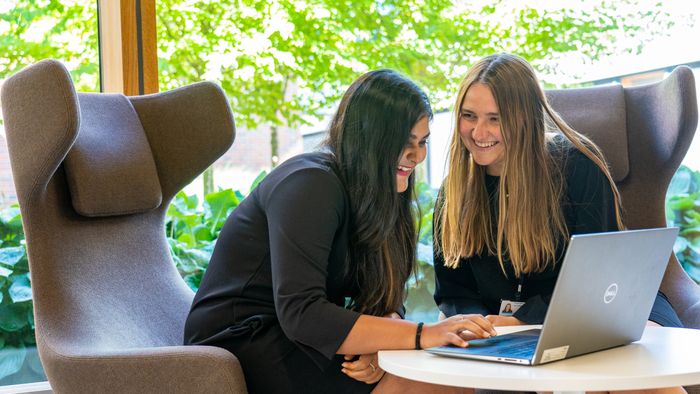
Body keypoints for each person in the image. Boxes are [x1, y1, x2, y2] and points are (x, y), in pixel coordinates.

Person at [184, 69, 496, 394]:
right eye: (405, 144)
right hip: (244, 338)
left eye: (422, 142)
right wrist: (421, 333)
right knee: (431, 382)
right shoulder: (309, 184)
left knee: (446, 378)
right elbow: (301, 311)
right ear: (371, 140)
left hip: (301, 333)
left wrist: (380, 344)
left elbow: (384, 295)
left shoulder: (381, 193)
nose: (418, 156)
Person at [433, 53, 685, 393]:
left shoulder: (577, 168)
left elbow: (598, 282)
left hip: (606, 312)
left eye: (496, 118)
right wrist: (475, 323)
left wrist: (523, 318)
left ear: (526, 119)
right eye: (469, 116)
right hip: (505, 331)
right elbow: (454, 290)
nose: (479, 132)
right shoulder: (455, 191)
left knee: (629, 371)